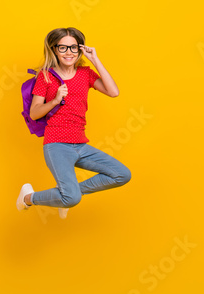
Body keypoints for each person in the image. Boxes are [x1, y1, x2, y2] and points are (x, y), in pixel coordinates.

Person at [16, 27, 131, 219]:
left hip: (80, 144)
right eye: (63, 48)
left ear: (80, 49)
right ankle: (28, 198)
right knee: (71, 198)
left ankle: (65, 195)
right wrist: (54, 100)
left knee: (121, 174)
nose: (69, 52)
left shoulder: (85, 74)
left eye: (73, 48)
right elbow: (35, 113)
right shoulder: (46, 76)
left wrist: (95, 59)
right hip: (57, 145)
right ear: (54, 49)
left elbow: (113, 92)